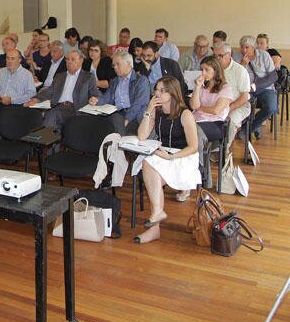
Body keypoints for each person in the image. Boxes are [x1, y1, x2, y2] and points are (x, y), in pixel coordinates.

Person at [134, 76, 201, 244]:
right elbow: (141, 136)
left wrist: (171, 157)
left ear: (173, 93)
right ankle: (156, 216)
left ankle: (155, 225)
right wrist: (149, 109)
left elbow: (194, 146)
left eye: (162, 90)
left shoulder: (185, 114)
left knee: (150, 168)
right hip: (164, 154)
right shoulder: (157, 111)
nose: (157, 93)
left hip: (183, 156)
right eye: (156, 90)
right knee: (149, 165)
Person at [24, 50, 100, 131]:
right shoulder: (59, 76)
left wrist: (94, 99)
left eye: (73, 59)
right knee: (49, 115)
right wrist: (35, 99)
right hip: (59, 106)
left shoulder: (88, 77)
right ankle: (48, 137)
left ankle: (46, 137)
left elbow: (95, 94)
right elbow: (49, 91)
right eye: (67, 59)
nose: (69, 62)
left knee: (53, 116)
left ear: (81, 61)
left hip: (76, 109)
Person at [91, 51, 150, 135]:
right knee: (98, 120)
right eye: (113, 65)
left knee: (116, 120)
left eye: (118, 64)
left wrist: (127, 119)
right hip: (116, 113)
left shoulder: (141, 81)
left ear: (128, 64)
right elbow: (107, 97)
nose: (115, 67)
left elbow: (138, 104)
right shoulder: (114, 81)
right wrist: (97, 100)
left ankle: (119, 140)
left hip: (134, 116)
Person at [237, 35, 278, 139]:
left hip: (265, 88)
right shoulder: (237, 57)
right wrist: (242, 66)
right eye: (242, 47)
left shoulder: (264, 55)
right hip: (246, 90)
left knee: (271, 107)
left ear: (253, 47)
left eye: (247, 47)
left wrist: (255, 86)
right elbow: (236, 78)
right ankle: (253, 125)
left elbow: (273, 76)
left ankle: (250, 128)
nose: (244, 50)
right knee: (240, 104)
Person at [214, 42, 251, 147]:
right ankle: (210, 147)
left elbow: (244, 96)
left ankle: (225, 149)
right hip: (218, 104)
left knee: (231, 120)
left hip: (239, 104)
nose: (216, 59)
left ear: (229, 55)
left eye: (220, 56)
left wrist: (229, 108)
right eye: (215, 56)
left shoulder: (240, 70)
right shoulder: (213, 69)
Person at [0, 49, 36, 122]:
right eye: (8, 58)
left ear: (19, 60)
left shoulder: (27, 75)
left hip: (16, 106)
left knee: (4, 117)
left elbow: (31, 93)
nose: (9, 61)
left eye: (12, 58)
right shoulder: (1, 71)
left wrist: (12, 100)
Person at [190, 56, 233, 141]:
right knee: (182, 128)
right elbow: (193, 106)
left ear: (215, 71)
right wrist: (197, 86)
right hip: (197, 119)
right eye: (202, 70)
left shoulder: (225, 88)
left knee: (193, 130)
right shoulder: (202, 86)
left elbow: (216, 110)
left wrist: (199, 108)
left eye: (207, 70)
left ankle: (198, 149)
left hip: (215, 122)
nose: (203, 73)